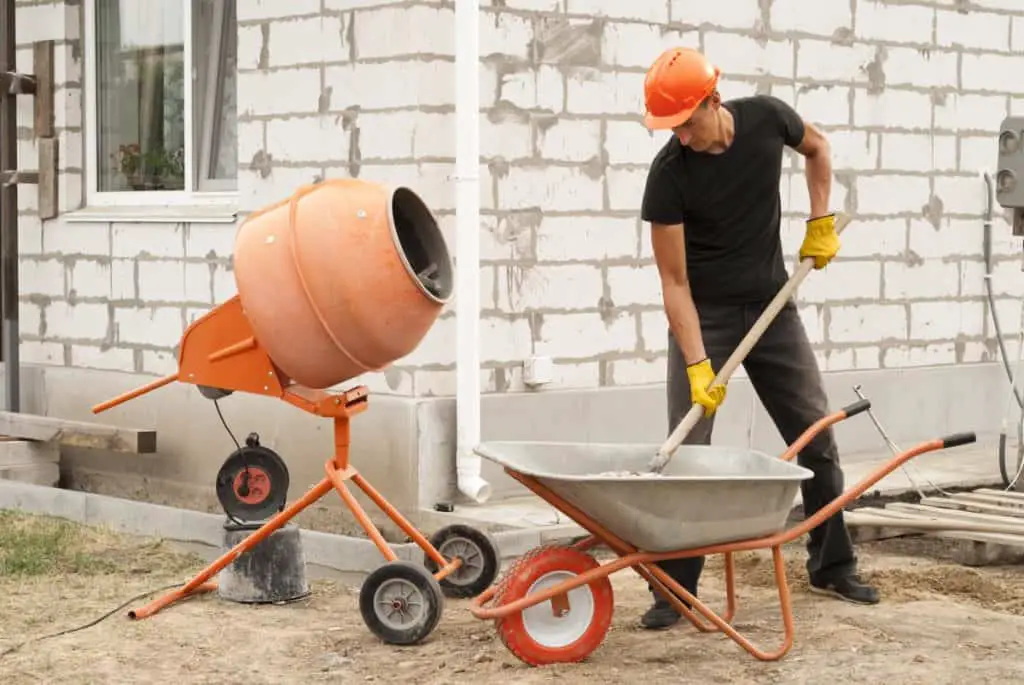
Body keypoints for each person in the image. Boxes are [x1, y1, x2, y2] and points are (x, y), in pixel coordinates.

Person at [637, 46, 880, 631]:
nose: (681, 138)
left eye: (685, 123)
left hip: (773, 309)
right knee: (690, 453)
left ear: (712, 100)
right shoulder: (669, 174)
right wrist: (698, 363)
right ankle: (676, 587)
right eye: (669, 129)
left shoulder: (769, 120)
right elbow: (673, 282)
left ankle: (831, 563)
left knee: (813, 434)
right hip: (708, 317)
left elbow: (817, 148)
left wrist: (818, 221)